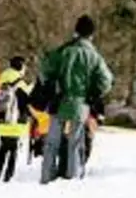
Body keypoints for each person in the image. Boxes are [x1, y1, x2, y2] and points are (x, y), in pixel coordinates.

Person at [38, 15, 115, 183]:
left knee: (52, 143)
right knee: (76, 143)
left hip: (58, 102)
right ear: (91, 35)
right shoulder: (94, 56)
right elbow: (106, 81)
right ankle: (72, 177)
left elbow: (44, 70)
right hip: (80, 103)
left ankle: (46, 177)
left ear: (76, 31)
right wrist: (93, 92)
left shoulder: (62, 51)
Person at [0, 56, 33, 182]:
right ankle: (8, 174)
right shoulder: (20, 83)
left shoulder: (0, 79)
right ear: (20, 67)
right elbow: (26, 103)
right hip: (14, 122)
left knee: (3, 146)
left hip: (0, 120)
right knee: (13, 149)